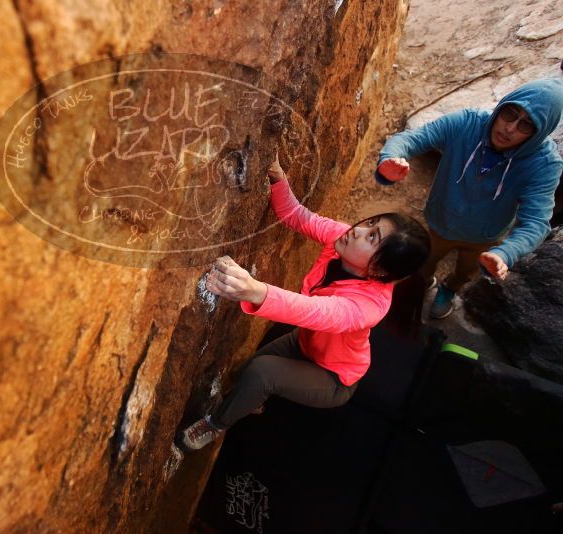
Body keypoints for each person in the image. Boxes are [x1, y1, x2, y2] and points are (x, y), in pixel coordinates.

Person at [180, 153, 430, 451]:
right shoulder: (344, 238)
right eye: (370, 223)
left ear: (379, 270)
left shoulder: (368, 307)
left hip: (334, 377)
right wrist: (277, 179)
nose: (358, 230)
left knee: (261, 373)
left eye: (372, 237)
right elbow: (298, 215)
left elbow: (316, 312)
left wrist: (253, 290)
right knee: (244, 371)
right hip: (307, 343)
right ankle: (251, 399)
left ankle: (217, 424)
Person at [376, 78, 563, 319]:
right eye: (510, 114)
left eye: (526, 125)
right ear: (501, 107)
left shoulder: (544, 165)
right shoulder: (467, 123)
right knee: (423, 261)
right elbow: (413, 138)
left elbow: (536, 222)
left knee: (467, 271)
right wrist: (391, 159)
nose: (509, 128)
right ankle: (422, 283)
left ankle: (449, 289)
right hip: (439, 222)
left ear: (539, 134)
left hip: (484, 238)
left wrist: (505, 253)